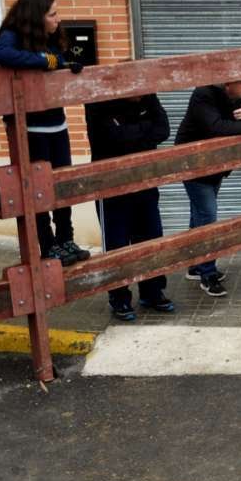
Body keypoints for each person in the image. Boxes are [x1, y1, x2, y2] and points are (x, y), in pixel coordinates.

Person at [0, 0, 90, 267]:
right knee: (37, 188)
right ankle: (48, 245)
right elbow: (1, 54)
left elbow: (55, 61)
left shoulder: (52, 37)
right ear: (36, 17)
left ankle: (66, 238)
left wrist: (64, 65)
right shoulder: (12, 35)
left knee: (61, 185)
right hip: (31, 129)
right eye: (52, 14)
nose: (58, 19)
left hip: (57, 124)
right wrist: (44, 61)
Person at [175, 79, 241, 296]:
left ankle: (196, 266)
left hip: (216, 165)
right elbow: (217, 127)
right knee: (207, 216)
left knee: (200, 215)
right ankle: (208, 274)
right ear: (228, 84)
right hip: (194, 164)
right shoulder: (203, 94)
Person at [85, 90, 173, 321]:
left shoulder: (148, 95)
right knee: (117, 244)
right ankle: (119, 298)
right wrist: (144, 128)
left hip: (145, 179)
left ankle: (152, 292)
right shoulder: (99, 102)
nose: (142, 94)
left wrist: (130, 131)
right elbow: (113, 137)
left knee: (151, 236)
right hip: (110, 185)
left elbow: (163, 129)